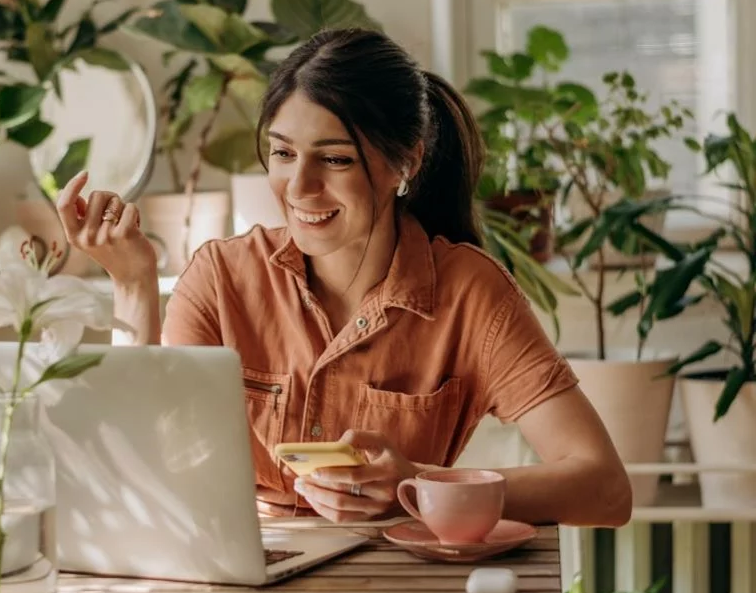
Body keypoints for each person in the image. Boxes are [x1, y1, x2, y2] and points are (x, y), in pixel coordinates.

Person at [54, 28, 632, 528]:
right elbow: (138, 467)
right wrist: (132, 284)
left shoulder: (471, 292)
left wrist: (415, 485)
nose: (299, 188)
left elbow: (603, 488)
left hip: (396, 589)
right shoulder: (221, 278)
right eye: (282, 154)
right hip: (246, 578)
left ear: (405, 163)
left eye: (334, 159)